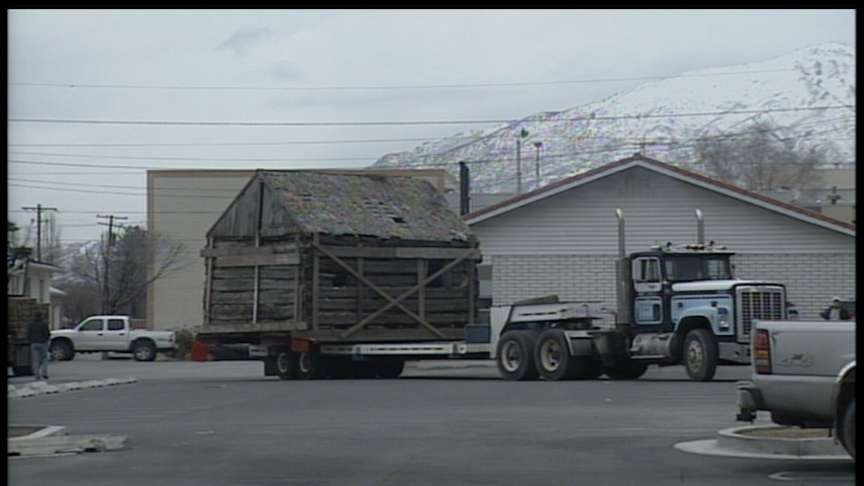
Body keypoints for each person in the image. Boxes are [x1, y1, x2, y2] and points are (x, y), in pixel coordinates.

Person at [27, 312, 51, 380]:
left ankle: (36, 375)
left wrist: (31, 341)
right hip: (42, 343)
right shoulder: (44, 324)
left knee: (35, 360)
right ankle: (44, 373)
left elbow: (28, 334)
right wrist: (46, 340)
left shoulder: (30, 324)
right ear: (41, 316)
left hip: (34, 344)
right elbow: (47, 334)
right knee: (44, 359)